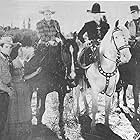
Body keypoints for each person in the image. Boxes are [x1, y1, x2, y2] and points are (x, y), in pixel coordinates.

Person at [5, 40, 41, 140]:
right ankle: (16, 134)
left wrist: (35, 74)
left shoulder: (23, 61)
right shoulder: (13, 63)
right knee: (17, 110)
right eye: (19, 49)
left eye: (21, 49)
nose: (21, 51)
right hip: (17, 88)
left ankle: (23, 132)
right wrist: (35, 73)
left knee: (24, 109)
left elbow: (24, 77)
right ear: (16, 51)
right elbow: (20, 78)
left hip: (24, 88)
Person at [0, 36, 16, 139]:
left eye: (10, 47)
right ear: (0, 47)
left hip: (4, 94)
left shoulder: (6, 59)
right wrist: (8, 90)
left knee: (3, 120)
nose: (9, 49)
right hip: (1, 94)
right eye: (6, 47)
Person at [127, 5, 140, 116]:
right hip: (132, 50)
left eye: (135, 12)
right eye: (132, 12)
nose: (133, 14)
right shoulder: (129, 23)